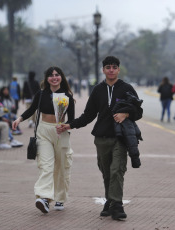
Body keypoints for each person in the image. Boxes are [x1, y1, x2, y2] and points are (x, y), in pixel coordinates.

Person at [57, 56, 143, 221]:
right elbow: (88, 115)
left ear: (118, 69)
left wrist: (126, 113)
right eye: (108, 67)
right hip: (101, 138)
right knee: (106, 173)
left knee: (117, 170)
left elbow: (138, 112)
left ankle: (117, 206)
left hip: (120, 137)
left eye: (114, 67)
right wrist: (69, 125)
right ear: (103, 70)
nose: (111, 70)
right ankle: (109, 201)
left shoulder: (127, 88)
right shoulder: (97, 90)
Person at [12, 66, 75, 214]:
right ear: (47, 79)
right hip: (44, 131)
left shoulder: (67, 96)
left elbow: (72, 120)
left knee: (62, 166)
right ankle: (44, 198)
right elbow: (31, 110)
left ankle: (60, 197)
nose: (54, 77)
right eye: (51, 75)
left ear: (61, 77)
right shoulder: (41, 94)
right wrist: (19, 119)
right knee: (46, 165)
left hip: (60, 132)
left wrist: (66, 126)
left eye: (57, 75)